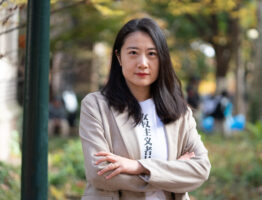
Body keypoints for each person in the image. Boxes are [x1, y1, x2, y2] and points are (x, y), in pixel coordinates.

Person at [79, 18, 211, 200]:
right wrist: (172, 170)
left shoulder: (179, 110)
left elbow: (201, 168)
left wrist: (138, 167)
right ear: (119, 57)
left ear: (162, 58)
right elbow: (99, 173)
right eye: (133, 53)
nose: (143, 63)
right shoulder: (96, 106)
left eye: (152, 54)